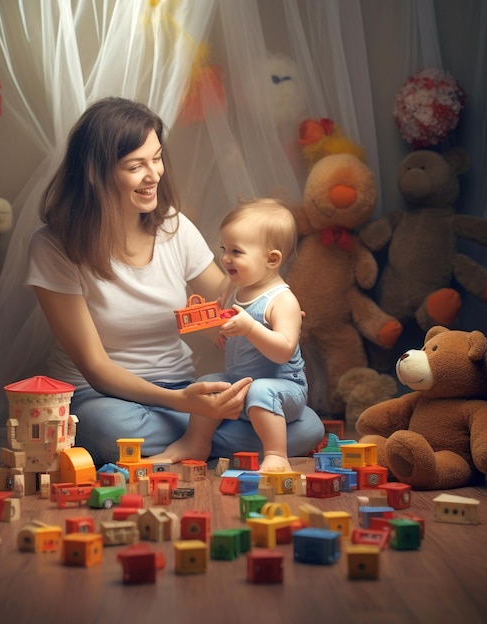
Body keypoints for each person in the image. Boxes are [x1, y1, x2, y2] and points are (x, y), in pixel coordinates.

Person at [25, 96, 324, 467]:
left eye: (157, 158)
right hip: (103, 396)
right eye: (136, 166)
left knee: (308, 425)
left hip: (181, 387)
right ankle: (204, 438)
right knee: (108, 428)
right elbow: (95, 367)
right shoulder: (54, 246)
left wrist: (273, 303)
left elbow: (225, 296)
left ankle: (189, 441)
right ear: (95, 173)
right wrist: (184, 405)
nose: (154, 175)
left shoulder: (174, 226)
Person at [151, 199, 309, 472]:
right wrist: (225, 337)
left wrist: (249, 328)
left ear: (272, 259)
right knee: (209, 383)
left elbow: (283, 350)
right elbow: (236, 335)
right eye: (224, 249)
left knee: (262, 390)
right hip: (242, 382)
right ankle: (195, 442)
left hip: (283, 387)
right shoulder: (237, 290)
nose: (225, 258)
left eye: (236, 251)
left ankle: (276, 454)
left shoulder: (282, 300)